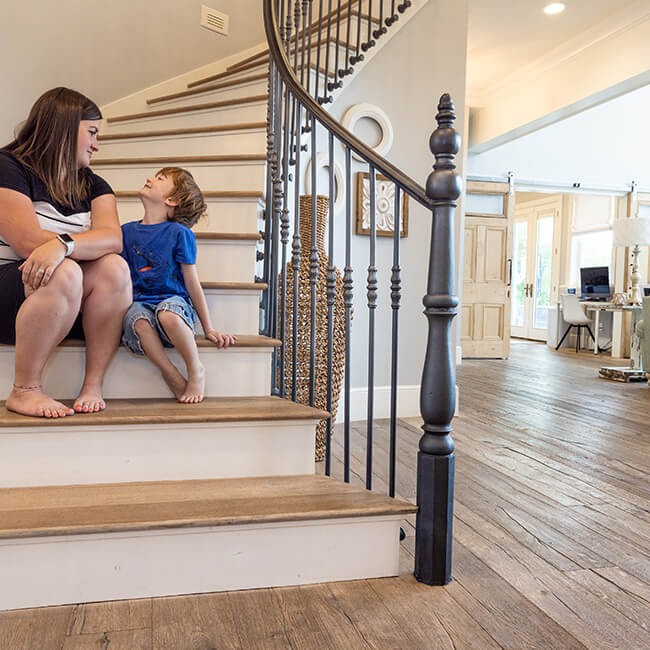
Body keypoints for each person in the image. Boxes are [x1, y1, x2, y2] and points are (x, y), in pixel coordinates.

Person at [0, 87, 132, 418]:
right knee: (67, 271)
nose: (96, 144)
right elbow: (28, 242)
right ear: (64, 126)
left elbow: (112, 239)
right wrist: (70, 249)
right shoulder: (8, 167)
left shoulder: (94, 184)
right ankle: (25, 390)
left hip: (66, 303)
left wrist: (64, 244)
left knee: (115, 268)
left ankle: (92, 384)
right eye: (92, 132)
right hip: (9, 295)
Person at [120, 167, 236, 403]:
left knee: (168, 315)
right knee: (139, 321)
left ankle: (195, 369)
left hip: (173, 304)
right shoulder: (125, 231)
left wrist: (209, 328)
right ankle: (171, 374)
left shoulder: (179, 233)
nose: (149, 179)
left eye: (160, 179)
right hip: (141, 304)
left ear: (171, 200)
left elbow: (192, 283)